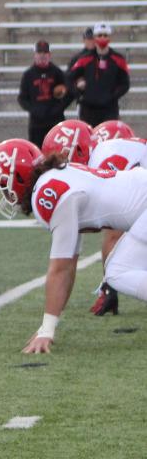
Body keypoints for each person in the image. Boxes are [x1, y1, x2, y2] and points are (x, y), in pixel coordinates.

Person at [0, 138, 147, 353]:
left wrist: (46, 331)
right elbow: (69, 265)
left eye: (5, 189)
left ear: (18, 178)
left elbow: (61, 268)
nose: (7, 198)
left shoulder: (48, 192)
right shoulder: (58, 178)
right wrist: (47, 327)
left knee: (117, 272)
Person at [86, 119, 143, 315]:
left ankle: (109, 289)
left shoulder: (105, 159)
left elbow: (113, 235)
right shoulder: (135, 149)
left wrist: (109, 287)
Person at [67, 22, 131, 125]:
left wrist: (112, 96)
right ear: (95, 37)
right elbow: (69, 78)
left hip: (109, 110)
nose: (102, 38)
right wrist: (79, 95)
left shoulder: (119, 59)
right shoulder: (84, 59)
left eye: (105, 35)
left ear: (109, 38)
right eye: (99, 35)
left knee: (109, 140)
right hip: (88, 110)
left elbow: (125, 83)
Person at [18, 41, 73, 147]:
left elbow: (70, 93)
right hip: (37, 124)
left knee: (57, 152)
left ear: (49, 55)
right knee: (38, 154)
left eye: (45, 53)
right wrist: (34, 109)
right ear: (35, 55)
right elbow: (22, 99)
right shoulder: (28, 75)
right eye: (39, 53)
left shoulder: (57, 73)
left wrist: (58, 108)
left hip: (55, 122)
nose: (42, 56)